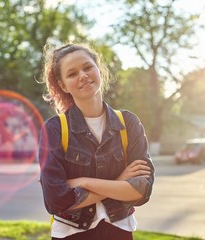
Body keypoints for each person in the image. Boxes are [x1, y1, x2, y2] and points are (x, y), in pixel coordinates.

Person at [38, 43, 155, 240]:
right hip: (71, 234)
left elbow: (142, 189)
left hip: (119, 231)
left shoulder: (128, 122)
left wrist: (84, 182)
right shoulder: (54, 129)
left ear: (98, 69)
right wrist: (118, 184)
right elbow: (55, 200)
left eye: (87, 67)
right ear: (63, 85)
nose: (83, 76)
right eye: (72, 73)